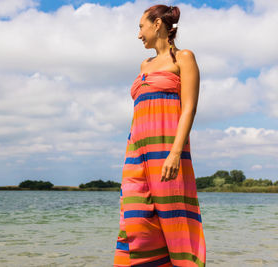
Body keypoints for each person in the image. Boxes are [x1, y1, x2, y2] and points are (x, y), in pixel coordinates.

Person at [113, 4, 206, 267]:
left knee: (176, 220)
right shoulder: (144, 64)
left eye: (140, 27)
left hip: (167, 151)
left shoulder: (183, 58)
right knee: (135, 221)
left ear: (157, 24)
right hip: (136, 154)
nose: (138, 34)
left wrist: (175, 153)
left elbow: (189, 107)